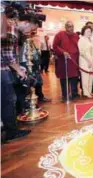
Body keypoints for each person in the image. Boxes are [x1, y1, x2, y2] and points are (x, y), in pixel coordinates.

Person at [1, 10, 39, 142]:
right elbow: (7, 55)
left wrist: (18, 67)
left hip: (4, 68)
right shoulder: (11, 30)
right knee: (8, 100)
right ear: (26, 23)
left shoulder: (10, 27)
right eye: (30, 30)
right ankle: (11, 132)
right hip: (2, 70)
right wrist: (19, 70)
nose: (29, 33)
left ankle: (7, 128)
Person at [53, 21, 80, 102]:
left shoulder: (76, 36)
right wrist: (62, 52)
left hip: (74, 61)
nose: (70, 28)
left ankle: (74, 93)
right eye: (68, 26)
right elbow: (55, 46)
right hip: (63, 61)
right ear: (65, 27)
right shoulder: (60, 35)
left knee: (74, 78)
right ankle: (65, 95)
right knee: (64, 79)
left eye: (72, 26)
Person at [78, 26, 93, 98]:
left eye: (90, 31)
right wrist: (88, 60)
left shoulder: (91, 40)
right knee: (85, 77)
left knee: (91, 77)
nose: (89, 33)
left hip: (92, 60)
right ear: (84, 32)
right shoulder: (81, 39)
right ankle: (86, 92)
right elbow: (81, 52)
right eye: (87, 31)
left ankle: (89, 90)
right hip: (84, 60)